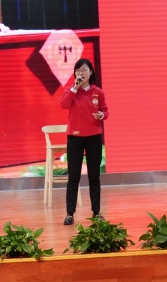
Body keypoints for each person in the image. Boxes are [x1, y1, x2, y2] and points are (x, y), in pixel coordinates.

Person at [59, 58, 109, 226]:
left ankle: (96, 211)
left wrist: (101, 115)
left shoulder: (98, 92)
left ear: (91, 72)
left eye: (84, 70)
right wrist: (75, 87)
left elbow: (105, 111)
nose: (81, 73)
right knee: (73, 176)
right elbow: (63, 104)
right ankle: (69, 214)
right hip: (75, 138)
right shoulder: (71, 90)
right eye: (78, 70)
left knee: (94, 176)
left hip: (94, 137)